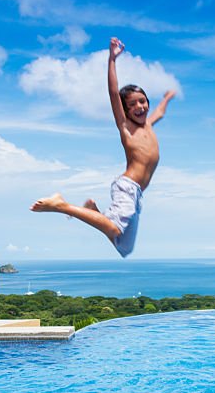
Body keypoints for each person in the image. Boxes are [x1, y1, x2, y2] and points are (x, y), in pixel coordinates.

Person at [31, 37, 176, 257]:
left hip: (136, 194)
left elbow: (160, 112)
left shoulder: (148, 125)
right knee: (114, 228)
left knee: (124, 247)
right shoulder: (126, 127)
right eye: (132, 104)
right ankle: (61, 205)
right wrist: (112, 60)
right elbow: (112, 92)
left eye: (143, 101)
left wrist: (166, 97)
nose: (139, 106)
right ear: (125, 111)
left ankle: (94, 211)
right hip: (126, 187)